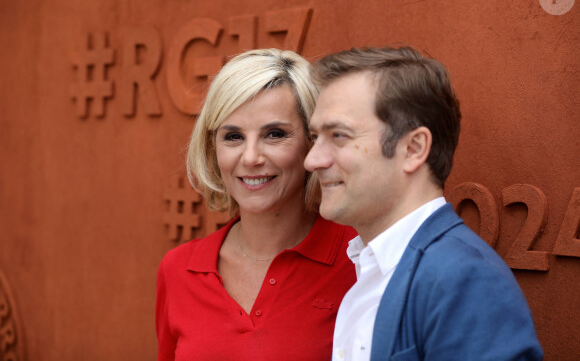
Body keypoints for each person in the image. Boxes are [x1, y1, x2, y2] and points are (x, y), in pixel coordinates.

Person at [304, 46, 544, 360]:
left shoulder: (465, 281)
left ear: (414, 148)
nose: (312, 160)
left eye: (338, 135)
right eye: (314, 137)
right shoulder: (374, 267)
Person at [156, 48, 357, 360]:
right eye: (233, 137)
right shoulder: (178, 269)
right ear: (213, 148)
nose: (250, 158)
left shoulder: (359, 260)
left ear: (312, 142)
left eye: (274, 134)